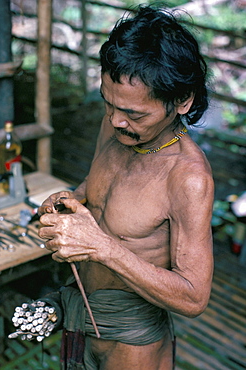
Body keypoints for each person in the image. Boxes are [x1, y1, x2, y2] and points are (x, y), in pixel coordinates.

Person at [38, 5, 214, 370]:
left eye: (135, 114)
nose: (116, 121)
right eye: (109, 103)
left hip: (132, 346)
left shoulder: (187, 178)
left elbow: (194, 298)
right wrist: (73, 198)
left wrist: (101, 247)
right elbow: (99, 184)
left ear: (182, 101)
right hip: (81, 320)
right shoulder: (117, 126)